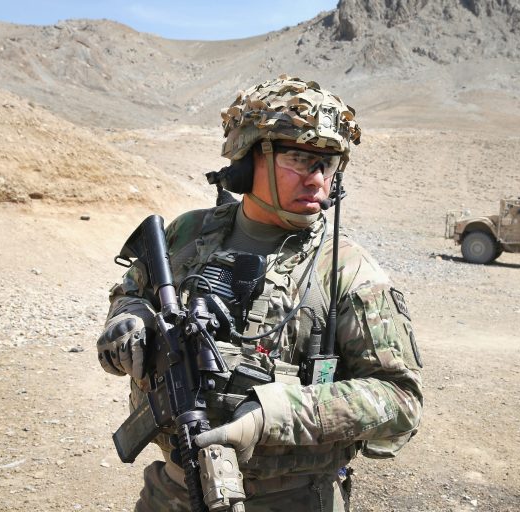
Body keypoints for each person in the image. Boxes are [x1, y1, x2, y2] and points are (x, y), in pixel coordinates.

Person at [96, 75, 423, 511]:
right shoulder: (188, 233)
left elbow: (400, 400)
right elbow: (132, 289)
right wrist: (128, 315)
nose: (319, 179)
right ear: (249, 160)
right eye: (300, 159)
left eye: (329, 165)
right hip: (174, 489)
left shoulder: (348, 269)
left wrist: (275, 413)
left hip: (292, 498)